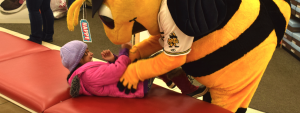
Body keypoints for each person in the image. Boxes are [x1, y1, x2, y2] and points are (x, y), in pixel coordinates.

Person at [60, 40, 208, 98]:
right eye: (86, 53)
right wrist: (124, 51)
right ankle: (188, 88)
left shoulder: (86, 72)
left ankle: (168, 78)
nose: (91, 53)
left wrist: (113, 59)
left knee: (150, 59)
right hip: (136, 86)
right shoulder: (88, 75)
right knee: (163, 59)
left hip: (133, 83)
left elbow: (111, 76)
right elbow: (117, 72)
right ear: (79, 60)